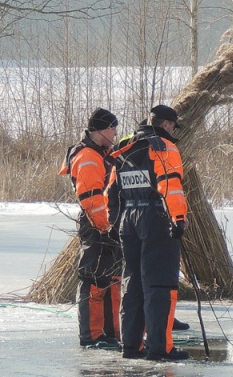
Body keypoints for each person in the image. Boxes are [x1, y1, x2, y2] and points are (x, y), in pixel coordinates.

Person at [107, 104, 189, 360]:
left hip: (128, 220)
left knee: (133, 284)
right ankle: (160, 347)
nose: (173, 130)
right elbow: (170, 185)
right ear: (166, 124)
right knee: (160, 285)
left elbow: (111, 191)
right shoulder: (163, 147)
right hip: (155, 218)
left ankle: (130, 345)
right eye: (173, 125)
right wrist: (178, 219)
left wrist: (114, 222)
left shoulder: (125, 146)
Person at [60, 107, 122, 349]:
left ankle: (109, 333)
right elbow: (91, 198)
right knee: (94, 280)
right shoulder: (88, 156)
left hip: (108, 225)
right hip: (97, 226)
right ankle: (92, 336)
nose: (115, 132)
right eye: (112, 128)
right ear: (100, 130)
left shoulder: (102, 153)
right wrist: (106, 227)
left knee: (111, 280)